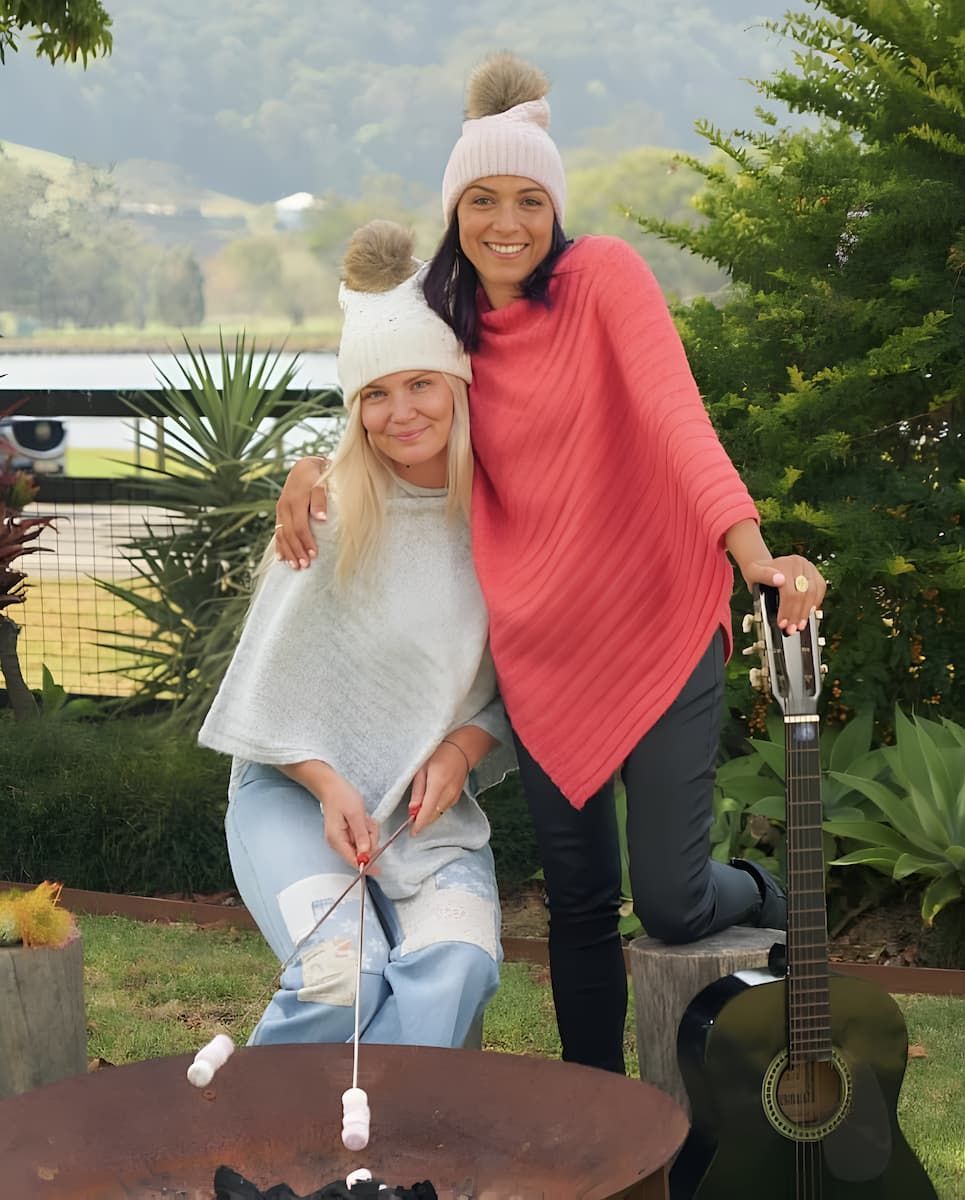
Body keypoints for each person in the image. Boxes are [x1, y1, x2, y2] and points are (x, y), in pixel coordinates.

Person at [273, 55, 828, 1075]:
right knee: (574, 900)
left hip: (656, 614)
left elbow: (676, 419)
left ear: (555, 207)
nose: (506, 222)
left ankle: (755, 888)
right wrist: (309, 463)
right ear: (454, 212)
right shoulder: (445, 320)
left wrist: (752, 554)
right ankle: (596, 1112)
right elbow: (386, 403)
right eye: (480, 200)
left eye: (529, 199)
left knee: (667, 899)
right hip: (539, 646)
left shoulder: (603, 275)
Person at [199, 221, 514, 1051]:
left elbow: (519, 685)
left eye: (420, 384)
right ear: (354, 408)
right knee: (342, 975)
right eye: (375, 393)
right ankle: (270, 1156)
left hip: (424, 810)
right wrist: (331, 786)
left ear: (457, 385)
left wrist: (460, 753)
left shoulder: (508, 517)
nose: (400, 412)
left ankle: (380, 1163)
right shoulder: (327, 514)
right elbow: (265, 695)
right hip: (294, 793)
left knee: (456, 966)